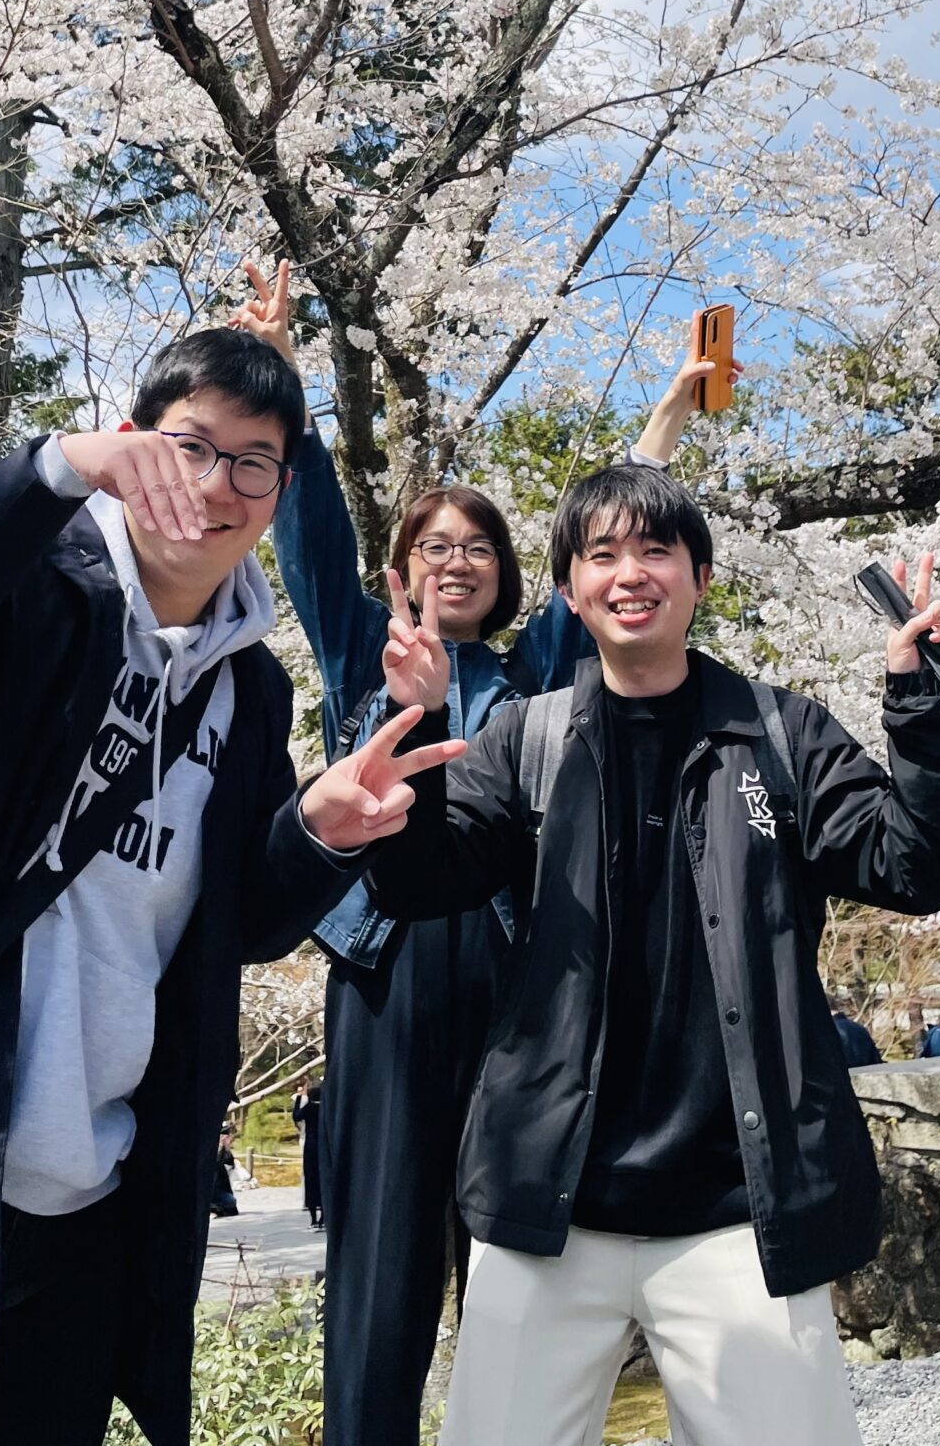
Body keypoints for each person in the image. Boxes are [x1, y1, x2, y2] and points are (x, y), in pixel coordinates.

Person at [0, 325, 461, 1446]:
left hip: (80, 1205)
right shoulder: (29, 584)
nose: (215, 485)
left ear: (278, 492)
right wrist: (52, 469)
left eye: (253, 463)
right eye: (190, 446)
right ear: (131, 440)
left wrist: (318, 829)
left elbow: (240, 924)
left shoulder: (249, 692)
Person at [366, 463, 940, 1446]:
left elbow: (916, 867)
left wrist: (920, 713)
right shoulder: (528, 740)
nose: (630, 573)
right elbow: (418, 882)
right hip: (548, 1204)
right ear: (569, 590)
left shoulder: (782, 734)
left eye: (657, 550)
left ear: (700, 577)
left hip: (739, 1211)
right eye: (602, 554)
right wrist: (421, 722)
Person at [235, 262, 717, 1446]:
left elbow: (613, 548)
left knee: (512, 1249)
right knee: (381, 1249)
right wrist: (283, 368)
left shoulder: (533, 669)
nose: (457, 561)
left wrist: (669, 414)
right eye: (435, 546)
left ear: (506, 578)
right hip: (387, 968)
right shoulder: (359, 645)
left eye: (480, 550)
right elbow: (306, 526)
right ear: (402, 569)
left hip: (513, 966)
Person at [292, 1080, 325, 1228]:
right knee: (323, 1179)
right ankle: (323, 1217)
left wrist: (299, 1098)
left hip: (310, 1144)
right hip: (324, 1144)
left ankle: (313, 1218)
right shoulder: (325, 1108)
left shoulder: (309, 1107)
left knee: (310, 1179)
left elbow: (296, 1116)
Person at [211, 1126, 241, 1221]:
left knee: (230, 1202)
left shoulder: (225, 1152)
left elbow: (229, 1163)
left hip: (221, 1190)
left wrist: (226, 1147)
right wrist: (219, 1146)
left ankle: (216, 1208)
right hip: (210, 1190)